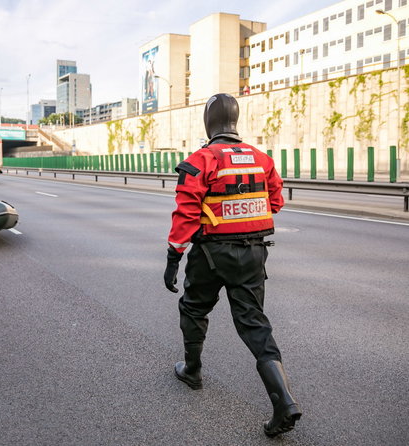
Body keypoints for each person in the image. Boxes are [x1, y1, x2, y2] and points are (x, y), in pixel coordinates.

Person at [163, 93, 301, 437]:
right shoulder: (261, 159)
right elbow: (275, 201)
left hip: (211, 254)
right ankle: (283, 400)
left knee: (194, 308)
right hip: (255, 253)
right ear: (235, 121)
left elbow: (186, 214)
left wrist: (173, 257)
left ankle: (192, 370)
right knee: (255, 324)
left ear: (209, 122)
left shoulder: (201, 160)